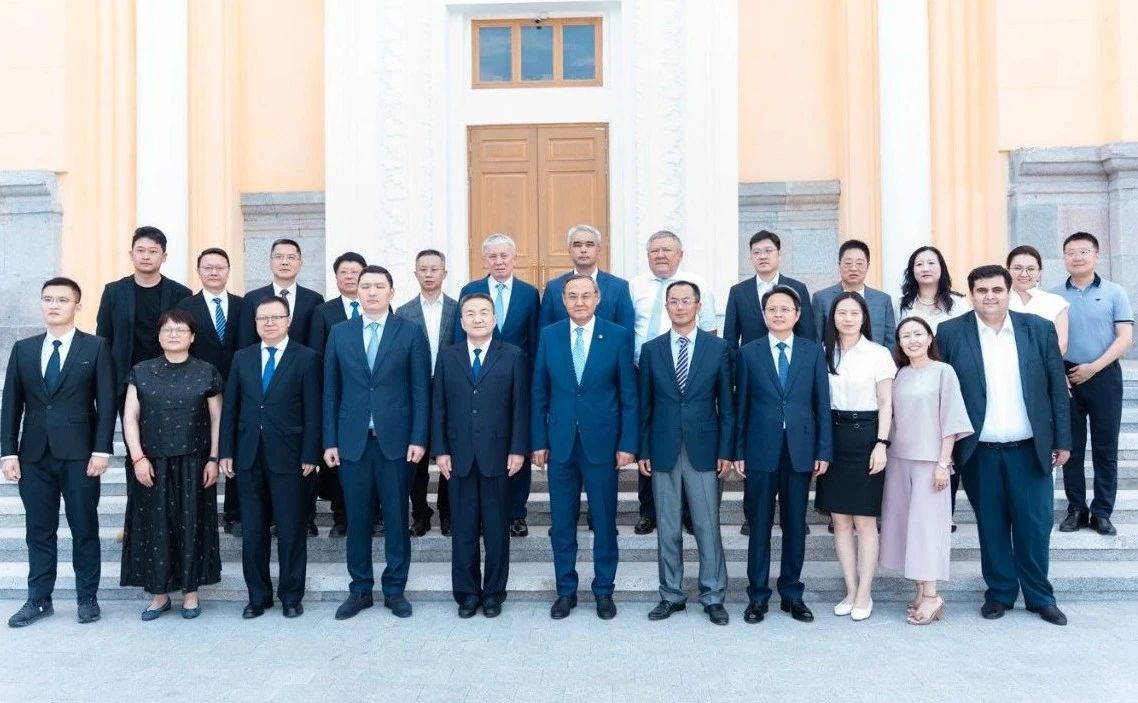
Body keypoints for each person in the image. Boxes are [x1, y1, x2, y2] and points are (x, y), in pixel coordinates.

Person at [937, 265, 1071, 626]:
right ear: (971, 295)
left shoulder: (1038, 329)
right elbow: (942, 394)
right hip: (979, 451)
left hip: (1029, 449)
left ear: (1009, 292)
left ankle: (1040, 597)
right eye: (982, 290)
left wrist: (1063, 439)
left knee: (1034, 526)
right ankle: (999, 593)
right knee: (991, 525)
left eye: (997, 289)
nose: (990, 296)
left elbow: (1056, 389)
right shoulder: (950, 333)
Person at [2, 278, 116, 628]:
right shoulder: (23, 349)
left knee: (84, 528)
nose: (54, 305)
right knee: (39, 530)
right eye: (48, 299)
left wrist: (101, 450)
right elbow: (11, 405)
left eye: (62, 300)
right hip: (34, 456)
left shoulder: (95, 347)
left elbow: (106, 402)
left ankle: (87, 598)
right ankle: (39, 600)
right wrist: (8, 453)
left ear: (77, 306)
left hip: (80, 455)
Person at [323, 265, 430, 620]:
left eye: (378, 286)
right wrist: (329, 440)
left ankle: (395, 589)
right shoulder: (340, 333)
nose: (371, 292)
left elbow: (420, 389)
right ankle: (360, 589)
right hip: (352, 442)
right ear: (357, 292)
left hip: (396, 443)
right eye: (365, 286)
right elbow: (330, 390)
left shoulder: (410, 332)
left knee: (397, 518)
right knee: (357, 519)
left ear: (391, 292)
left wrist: (419, 437)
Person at [532, 275, 638, 621]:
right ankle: (566, 591)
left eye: (586, 296)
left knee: (604, 522)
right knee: (562, 523)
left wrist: (627, 443)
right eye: (572, 296)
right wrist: (538, 441)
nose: (579, 302)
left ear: (597, 299)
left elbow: (629, 395)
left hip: (602, 446)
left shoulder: (617, 335)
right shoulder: (550, 335)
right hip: (560, 445)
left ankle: (604, 590)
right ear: (563, 300)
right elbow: (539, 391)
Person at [219, 296, 321, 619]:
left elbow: (313, 410)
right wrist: (226, 451)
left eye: (276, 317)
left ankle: (291, 596)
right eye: (263, 318)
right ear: (255, 323)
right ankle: (258, 597)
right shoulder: (242, 357)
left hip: (290, 457)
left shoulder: (306, 358)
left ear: (288, 321)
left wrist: (311, 452)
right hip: (248, 456)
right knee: (253, 532)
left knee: (291, 530)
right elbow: (231, 408)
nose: (269, 323)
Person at [637, 281, 733, 626]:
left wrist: (726, 450)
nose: (680, 307)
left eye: (686, 301)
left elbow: (728, 406)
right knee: (667, 526)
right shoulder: (651, 350)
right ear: (666, 307)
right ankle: (671, 594)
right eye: (673, 302)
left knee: (707, 525)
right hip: (663, 448)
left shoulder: (718, 348)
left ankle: (713, 595)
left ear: (698, 306)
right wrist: (643, 449)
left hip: (704, 449)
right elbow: (645, 405)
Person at [734, 284, 831, 625]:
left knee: (795, 525)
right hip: (760, 450)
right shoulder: (749, 352)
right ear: (764, 315)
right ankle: (758, 596)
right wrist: (738, 450)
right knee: (759, 525)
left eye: (785, 309)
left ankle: (792, 594)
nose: (778, 314)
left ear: (797, 314)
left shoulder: (812, 352)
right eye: (772, 309)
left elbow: (822, 404)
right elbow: (741, 406)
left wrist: (823, 449)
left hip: (800, 451)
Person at [119, 309, 223, 620]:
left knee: (192, 525)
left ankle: (191, 594)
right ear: (159, 336)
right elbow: (130, 418)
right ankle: (159, 595)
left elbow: (217, 419)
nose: (173, 334)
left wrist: (214, 458)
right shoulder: (141, 371)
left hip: (195, 462)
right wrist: (137, 457)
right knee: (155, 528)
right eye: (167, 329)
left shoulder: (206, 371)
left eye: (180, 330)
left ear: (192, 336)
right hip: (151, 463)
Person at [431, 293, 529, 618]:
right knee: (463, 530)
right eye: (470, 313)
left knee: (498, 530)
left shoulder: (512, 355)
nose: (477, 318)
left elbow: (520, 407)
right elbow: (438, 405)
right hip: (458, 456)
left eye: (484, 312)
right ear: (461, 321)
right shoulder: (448, 356)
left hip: (499, 456)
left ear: (494, 319)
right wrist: (440, 450)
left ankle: (494, 594)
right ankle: (467, 593)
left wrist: (518, 449)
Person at [879, 317, 973, 626]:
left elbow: (952, 419)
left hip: (930, 462)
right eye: (905, 335)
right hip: (899, 460)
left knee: (927, 529)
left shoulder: (944, 371)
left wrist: (943, 463)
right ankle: (920, 591)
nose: (912, 340)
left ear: (930, 338)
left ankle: (932, 595)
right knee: (907, 528)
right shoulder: (900, 374)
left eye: (918, 333)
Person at [724, 229, 815, 536]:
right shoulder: (739, 292)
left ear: (779, 254)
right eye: (756, 252)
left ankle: (795, 518)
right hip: (754, 381)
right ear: (750, 256)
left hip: (791, 380)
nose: (762, 256)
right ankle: (753, 517)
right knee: (757, 455)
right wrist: (735, 382)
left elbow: (808, 336)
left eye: (768, 251)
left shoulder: (797, 288)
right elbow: (731, 340)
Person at [629, 230, 717, 535]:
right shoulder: (635, 286)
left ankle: (691, 512)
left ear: (680, 254)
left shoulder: (697, 285)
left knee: (688, 442)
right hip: (643, 371)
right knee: (650, 438)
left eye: (667, 250)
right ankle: (649, 511)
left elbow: (710, 331)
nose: (660, 255)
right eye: (654, 251)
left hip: (687, 377)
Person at [814, 292, 895, 621]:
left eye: (854, 313)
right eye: (841, 313)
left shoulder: (878, 354)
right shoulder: (822, 353)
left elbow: (886, 403)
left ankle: (865, 592)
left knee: (865, 521)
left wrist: (881, 443)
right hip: (833, 437)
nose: (847, 319)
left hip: (867, 437)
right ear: (832, 318)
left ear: (864, 318)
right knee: (840, 521)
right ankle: (850, 589)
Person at [454, 234, 540, 538]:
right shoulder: (470, 291)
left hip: (516, 383)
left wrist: (533, 383)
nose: (499, 261)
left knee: (517, 447)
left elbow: (535, 340)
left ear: (514, 258)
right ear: (484, 260)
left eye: (504, 256)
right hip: (477, 382)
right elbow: (459, 339)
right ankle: (480, 516)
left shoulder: (529, 294)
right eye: (493, 256)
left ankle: (516, 513)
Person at [1053, 232, 1134, 536]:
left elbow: (1125, 337)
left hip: (1104, 375)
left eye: (1084, 251)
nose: (1077, 257)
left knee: (1105, 447)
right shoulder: (1053, 296)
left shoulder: (1115, 292)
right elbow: (1049, 341)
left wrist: (1094, 368)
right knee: (1071, 447)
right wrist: (1059, 372)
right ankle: (1077, 509)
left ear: (1096, 255)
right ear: (1064, 257)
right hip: (1067, 377)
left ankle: (1102, 512)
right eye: (1070, 252)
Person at [176, 247, 244, 535]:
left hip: (239, 389)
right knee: (200, 451)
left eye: (220, 267)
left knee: (235, 450)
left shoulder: (244, 305)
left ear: (228, 270)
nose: (214, 272)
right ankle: (198, 514)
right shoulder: (185, 307)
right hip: (197, 389)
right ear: (199, 271)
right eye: (208, 267)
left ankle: (234, 514)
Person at [96, 226, 193, 407]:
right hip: (125, 378)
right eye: (140, 250)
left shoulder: (181, 294)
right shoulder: (114, 292)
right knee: (130, 424)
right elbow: (104, 336)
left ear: (164, 256)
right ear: (131, 254)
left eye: (153, 251)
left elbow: (188, 336)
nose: (146, 256)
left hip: (169, 376)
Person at [306, 251, 367, 537]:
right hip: (339, 399)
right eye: (344, 272)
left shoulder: (378, 307)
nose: (350, 276)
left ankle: (372, 515)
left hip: (371, 399)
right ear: (336, 277)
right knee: (340, 461)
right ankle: (341, 517)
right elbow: (317, 358)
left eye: (356, 272)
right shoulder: (323, 311)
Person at [398, 249, 458, 537]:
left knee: (450, 452)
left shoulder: (458, 309)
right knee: (416, 456)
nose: (429, 274)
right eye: (424, 269)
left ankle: (448, 514)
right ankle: (420, 514)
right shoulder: (403, 312)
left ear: (444, 273)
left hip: (451, 391)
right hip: (415, 391)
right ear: (415, 273)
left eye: (435, 269)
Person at [539, 224, 636, 332]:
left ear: (598, 249)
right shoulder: (553, 288)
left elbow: (626, 332)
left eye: (589, 245)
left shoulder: (618, 287)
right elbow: (544, 332)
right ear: (569, 250)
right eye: (577, 245)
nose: (583, 250)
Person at [238, 238, 324, 350]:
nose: (285, 262)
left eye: (291, 257)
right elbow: (245, 341)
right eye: (279, 257)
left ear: (300, 263)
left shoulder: (314, 299)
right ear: (270, 262)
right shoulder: (252, 298)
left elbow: (316, 341)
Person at [812, 239, 896, 349]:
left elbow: (891, 342)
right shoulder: (821, 298)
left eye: (859, 263)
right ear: (839, 265)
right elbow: (816, 340)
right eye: (848, 263)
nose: (853, 268)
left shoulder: (883, 300)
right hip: (834, 358)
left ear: (867, 266)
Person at [1006, 245, 1069, 355]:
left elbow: (1061, 346)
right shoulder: (996, 301)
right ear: (1007, 270)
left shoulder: (1056, 302)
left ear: (1039, 272)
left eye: (1030, 269)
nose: (1024, 274)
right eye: (1017, 268)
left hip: (1044, 365)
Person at [897, 246, 970, 332]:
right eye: (919, 264)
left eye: (931, 263)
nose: (925, 269)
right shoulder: (900, 304)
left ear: (941, 268)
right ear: (912, 271)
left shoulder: (958, 302)